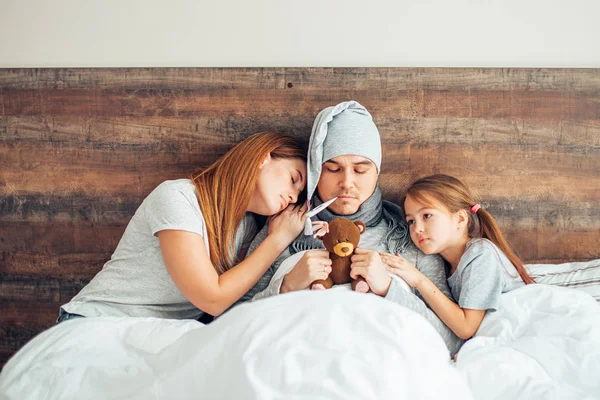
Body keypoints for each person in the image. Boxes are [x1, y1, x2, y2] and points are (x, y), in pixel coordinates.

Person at [238, 101, 464, 357]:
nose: (346, 183)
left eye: (360, 169)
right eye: (332, 169)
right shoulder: (283, 230)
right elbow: (230, 326)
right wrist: (286, 287)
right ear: (315, 172)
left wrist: (389, 289)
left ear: (376, 173)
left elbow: (451, 342)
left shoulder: (411, 235)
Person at [57, 131, 308, 323]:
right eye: (293, 179)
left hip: (157, 337)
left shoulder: (248, 228)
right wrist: (277, 241)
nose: (294, 197)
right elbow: (212, 299)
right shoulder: (178, 197)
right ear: (263, 158)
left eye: (299, 192)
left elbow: (237, 300)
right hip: (99, 320)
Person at [381, 174, 535, 340]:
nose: (417, 228)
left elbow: (466, 328)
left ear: (460, 219)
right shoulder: (445, 264)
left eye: (427, 216)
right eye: (411, 221)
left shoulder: (481, 255)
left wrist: (419, 280)